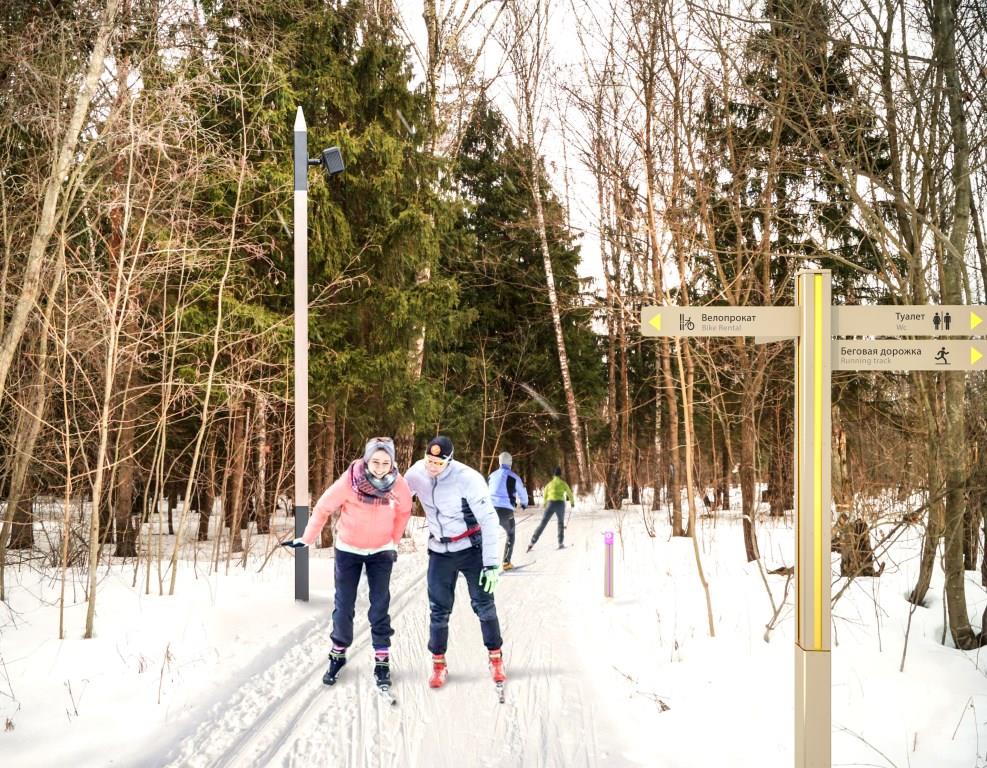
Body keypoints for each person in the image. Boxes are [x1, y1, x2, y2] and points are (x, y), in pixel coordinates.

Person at [283, 437, 412, 692]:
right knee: (344, 605)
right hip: (348, 550)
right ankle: (338, 653)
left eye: (386, 462)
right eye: (375, 461)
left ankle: (382, 659)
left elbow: (405, 511)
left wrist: (394, 541)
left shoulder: (398, 484)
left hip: (381, 552)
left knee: (379, 605)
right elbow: (322, 508)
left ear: (392, 462)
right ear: (366, 459)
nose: (380, 467)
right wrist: (307, 538)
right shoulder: (350, 481)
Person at [404, 435, 506, 690]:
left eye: (438, 463)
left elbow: (490, 520)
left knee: (483, 604)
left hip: (471, 548)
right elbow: (396, 501)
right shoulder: (416, 473)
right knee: (439, 609)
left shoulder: (468, 479)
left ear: (449, 460)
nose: (432, 467)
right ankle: (438, 664)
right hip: (439, 550)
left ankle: (495, 657)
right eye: (429, 460)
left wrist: (492, 564)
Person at [487, 451, 529, 570]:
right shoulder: (514, 477)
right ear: (510, 463)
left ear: (499, 462)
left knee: (487, 537)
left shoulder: (491, 476)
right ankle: (506, 562)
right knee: (510, 534)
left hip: (490, 511)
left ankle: (483, 563)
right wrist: (524, 504)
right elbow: (522, 492)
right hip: (505, 511)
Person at [527, 467, 574, 552]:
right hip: (560, 504)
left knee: (543, 523)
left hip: (550, 504)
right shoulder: (563, 483)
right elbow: (569, 492)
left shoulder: (549, 484)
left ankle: (532, 542)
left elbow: (545, 494)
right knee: (560, 523)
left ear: (553, 474)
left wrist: (545, 504)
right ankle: (560, 543)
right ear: (560, 474)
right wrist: (572, 502)